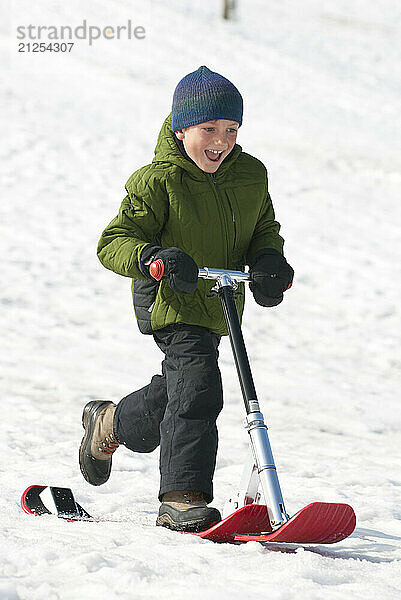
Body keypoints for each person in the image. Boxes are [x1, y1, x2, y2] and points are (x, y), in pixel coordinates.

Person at [79, 65, 294, 532]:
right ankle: (182, 498)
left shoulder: (251, 175)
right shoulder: (158, 180)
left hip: (219, 301)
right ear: (180, 129)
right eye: (208, 129)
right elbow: (114, 240)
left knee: (179, 391)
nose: (221, 141)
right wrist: (154, 258)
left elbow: (264, 230)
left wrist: (269, 263)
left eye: (231, 129)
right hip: (171, 298)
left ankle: (110, 423)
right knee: (198, 386)